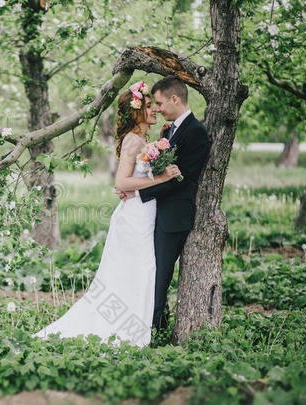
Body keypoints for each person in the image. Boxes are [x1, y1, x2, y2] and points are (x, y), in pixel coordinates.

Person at [31, 81, 181, 348]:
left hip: (145, 215)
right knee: (136, 272)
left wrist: (164, 137)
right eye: (149, 106)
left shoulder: (143, 139)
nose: (155, 110)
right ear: (137, 111)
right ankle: (125, 330)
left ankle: (134, 327)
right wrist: (159, 179)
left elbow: (137, 176)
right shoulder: (133, 141)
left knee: (139, 272)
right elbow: (122, 184)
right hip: (134, 218)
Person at [115, 75, 211, 335]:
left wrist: (137, 193)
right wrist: (132, 186)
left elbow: (181, 178)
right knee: (150, 272)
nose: (156, 109)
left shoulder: (196, 133)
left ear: (174, 98)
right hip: (152, 213)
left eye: (158, 103)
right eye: (150, 105)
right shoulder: (168, 131)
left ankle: (153, 328)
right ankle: (152, 324)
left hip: (172, 216)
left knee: (159, 275)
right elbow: (149, 172)